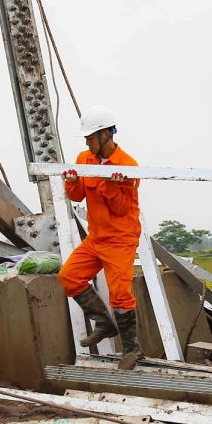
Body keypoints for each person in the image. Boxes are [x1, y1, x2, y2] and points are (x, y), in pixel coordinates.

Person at [59, 106, 143, 356]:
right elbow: (77, 195)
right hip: (96, 237)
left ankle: (131, 349)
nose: (87, 142)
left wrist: (111, 185)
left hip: (120, 239)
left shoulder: (128, 166)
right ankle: (104, 323)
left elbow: (120, 209)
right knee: (69, 277)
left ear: (106, 134)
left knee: (120, 295)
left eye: (90, 137)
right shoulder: (84, 159)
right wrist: (72, 181)